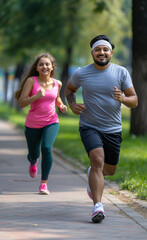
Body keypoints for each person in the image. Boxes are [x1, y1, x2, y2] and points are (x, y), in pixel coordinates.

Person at [65, 35, 138, 223]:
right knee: (97, 160)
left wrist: (123, 99)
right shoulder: (81, 73)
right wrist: (73, 106)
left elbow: (134, 101)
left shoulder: (121, 72)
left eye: (105, 49)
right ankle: (98, 206)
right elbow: (69, 90)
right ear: (92, 53)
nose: (102, 53)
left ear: (111, 53)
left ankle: (93, 175)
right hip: (89, 126)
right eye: (98, 50)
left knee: (110, 169)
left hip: (113, 128)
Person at [15, 53, 67, 194]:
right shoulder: (31, 81)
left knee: (46, 148)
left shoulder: (57, 83)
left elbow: (56, 98)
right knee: (34, 153)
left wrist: (61, 105)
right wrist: (36, 96)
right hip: (33, 123)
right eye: (41, 64)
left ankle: (43, 183)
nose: (44, 66)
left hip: (51, 121)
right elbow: (21, 103)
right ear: (37, 68)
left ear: (52, 67)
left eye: (47, 64)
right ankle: (33, 161)